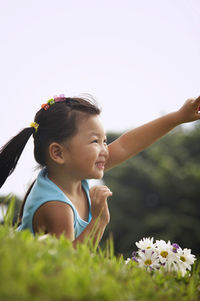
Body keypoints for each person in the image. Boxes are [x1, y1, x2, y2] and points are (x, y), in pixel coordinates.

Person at [0, 94, 200, 247]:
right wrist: (98, 220)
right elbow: (66, 263)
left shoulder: (73, 175)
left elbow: (126, 146)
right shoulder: (56, 206)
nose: (105, 149)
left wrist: (178, 117)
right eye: (95, 141)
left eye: (104, 141)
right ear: (58, 154)